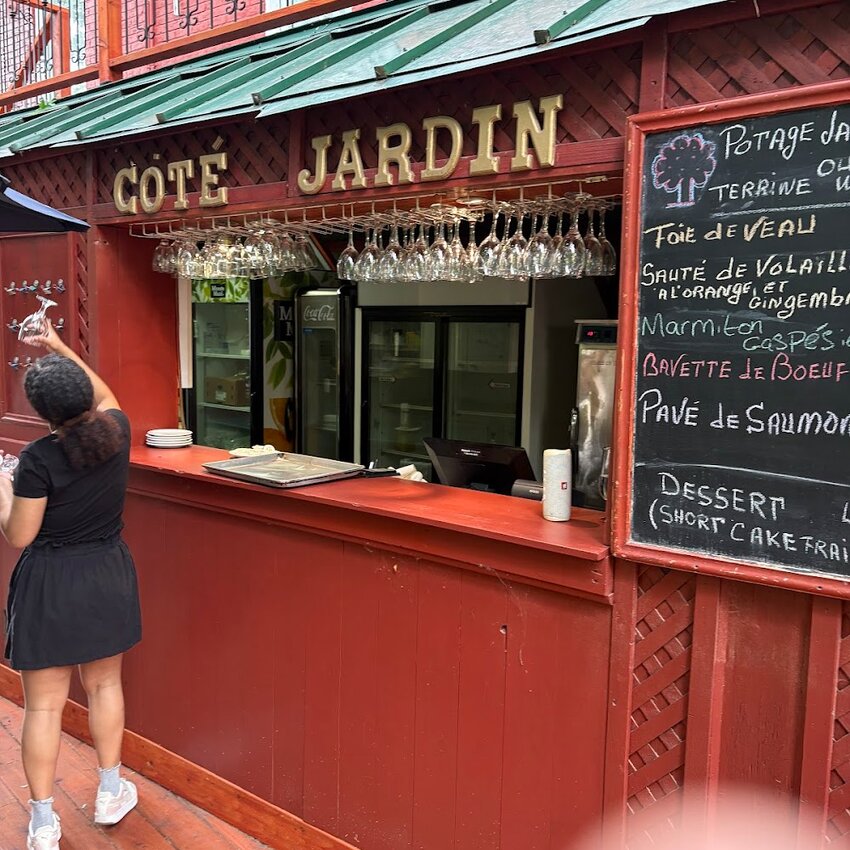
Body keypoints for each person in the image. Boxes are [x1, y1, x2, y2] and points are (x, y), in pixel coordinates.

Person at [0, 320, 142, 850]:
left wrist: (2, 484)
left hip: (52, 584)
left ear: (42, 413)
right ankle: (110, 792)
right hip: (106, 573)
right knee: (105, 685)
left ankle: (41, 823)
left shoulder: (38, 460)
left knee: (43, 708)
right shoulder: (118, 432)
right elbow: (106, 394)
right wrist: (60, 344)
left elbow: (19, 534)